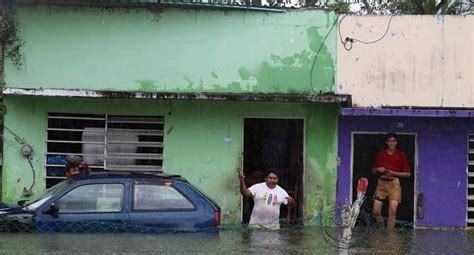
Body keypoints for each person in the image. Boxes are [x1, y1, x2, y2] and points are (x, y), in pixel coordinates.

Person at [372, 133, 411, 229]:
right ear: (386, 142)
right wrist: (378, 169)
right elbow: (373, 170)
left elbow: (408, 174)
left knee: (392, 211)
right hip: (381, 184)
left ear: (396, 142)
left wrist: (393, 173)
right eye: (390, 141)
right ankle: (381, 230)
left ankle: (390, 236)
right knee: (375, 211)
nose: (392, 143)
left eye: (394, 141)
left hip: (394, 184)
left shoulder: (401, 155)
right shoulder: (380, 154)